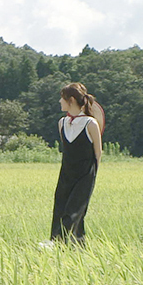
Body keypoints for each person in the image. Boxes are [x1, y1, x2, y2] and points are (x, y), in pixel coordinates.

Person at [41, 82, 103, 248]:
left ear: (71, 100)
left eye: (62, 99)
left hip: (85, 175)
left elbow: (98, 153)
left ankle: (57, 243)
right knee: (60, 207)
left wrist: (92, 175)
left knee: (74, 211)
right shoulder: (62, 123)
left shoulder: (91, 123)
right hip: (66, 174)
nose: (60, 102)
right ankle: (76, 248)